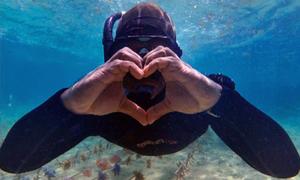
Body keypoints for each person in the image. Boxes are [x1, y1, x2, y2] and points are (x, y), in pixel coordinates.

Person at [0, 3, 299, 178]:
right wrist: (69, 104)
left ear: (176, 59)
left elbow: (285, 166)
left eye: (159, 54)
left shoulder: (199, 100)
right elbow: (12, 161)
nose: (143, 67)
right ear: (111, 59)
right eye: (128, 55)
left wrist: (219, 100)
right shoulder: (96, 104)